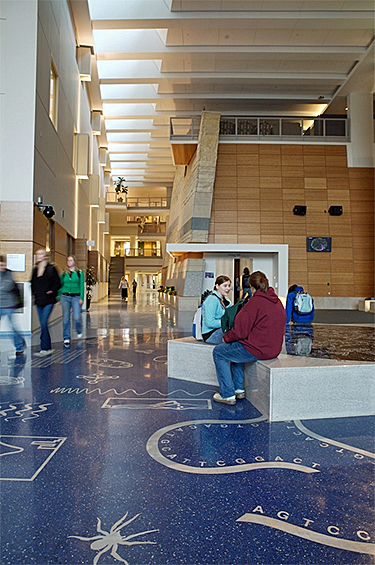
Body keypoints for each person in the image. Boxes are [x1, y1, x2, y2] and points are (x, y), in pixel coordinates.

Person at [212, 271, 286, 405]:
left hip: (257, 349)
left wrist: (226, 338)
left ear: (251, 287)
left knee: (219, 352)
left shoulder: (255, 303)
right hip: (274, 349)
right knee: (235, 349)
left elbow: (239, 331)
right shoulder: (277, 302)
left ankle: (227, 394)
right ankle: (239, 389)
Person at [30, 249, 61, 356]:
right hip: (39, 301)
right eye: (37, 254)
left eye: (41, 254)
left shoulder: (51, 269)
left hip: (49, 300)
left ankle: (45, 347)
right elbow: (32, 284)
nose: (38, 256)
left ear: (45, 256)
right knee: (43, 324)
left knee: (43, 323)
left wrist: (51, 291)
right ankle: (47, 346)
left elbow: (58, 283)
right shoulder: (35, 270)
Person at [0, 256, 26, 356]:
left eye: (2, 265)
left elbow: (9, 286)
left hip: (9, 305)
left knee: (12, 327)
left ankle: (20, 346)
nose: (1, 267)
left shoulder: (9, 274)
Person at [58, 255, 85, 345]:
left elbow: (81, 285)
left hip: (76, 297)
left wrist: (81, 298)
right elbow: (60, 285)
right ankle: (66, 337)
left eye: (71, 260)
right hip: (65, 296)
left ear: (74, 262)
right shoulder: (64, 272)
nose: (69, 262)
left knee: (76, 317)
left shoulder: (79, 273)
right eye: (68, 260)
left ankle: (79, 330)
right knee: (66, 318)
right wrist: (59, 297)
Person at [201, 275, 232, 345]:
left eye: (229, 286)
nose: (228, 288)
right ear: (217, 286)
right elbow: (210, 322)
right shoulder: (212, 299)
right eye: (225, 286)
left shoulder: (226, 301)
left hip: (221, 330)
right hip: (210, 334)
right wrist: (225, 323)